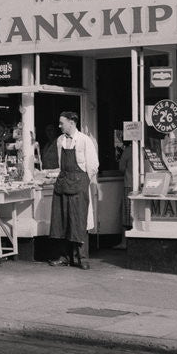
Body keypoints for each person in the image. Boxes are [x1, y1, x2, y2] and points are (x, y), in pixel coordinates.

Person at [48, 111, 99, 269]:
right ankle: (64, 257)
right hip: (63, 184)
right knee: (62, 220)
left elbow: (92, 166)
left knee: (79, 221)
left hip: (79, 185)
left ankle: (82, 258)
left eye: (61, 123)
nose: (59, 125)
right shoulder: (60, 140)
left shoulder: (84, 140)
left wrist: (82, 181)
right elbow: (60, 161)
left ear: (71, 122)